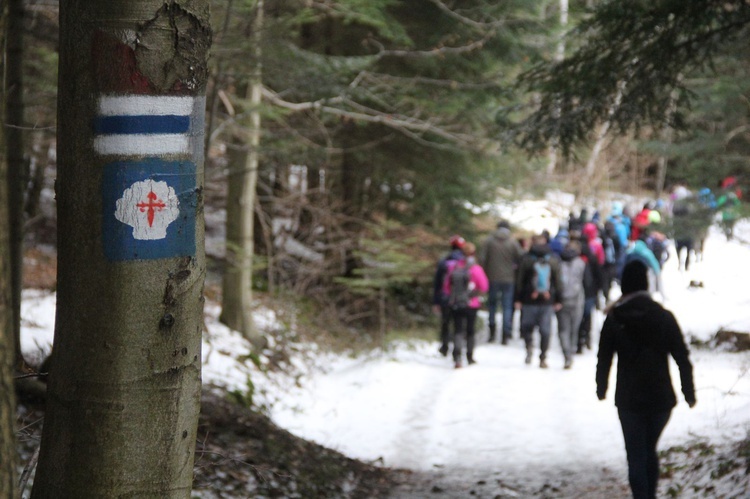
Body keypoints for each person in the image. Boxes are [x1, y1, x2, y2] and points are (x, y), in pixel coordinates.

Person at [596, 260, 696, 499]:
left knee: (636, 454)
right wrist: (688, 392)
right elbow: (682, 357)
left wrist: (601, 387)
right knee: (649, 450)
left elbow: (604, 357)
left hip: (629, 398)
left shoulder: (615, 318)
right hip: (661, 398)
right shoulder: (663, 316)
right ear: (646, 284)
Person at [514, 234, 563, 368]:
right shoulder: (553, 259)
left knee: (527, 327)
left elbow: (519, 281)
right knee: (545, 331)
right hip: (547, 300)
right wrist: (558, 299)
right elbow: (558, 281)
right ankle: (543, 357)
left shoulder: (526, 259)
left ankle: (529, 348)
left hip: (529, 300)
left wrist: (518, 299)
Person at [478, 220, 525, 344]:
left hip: (491, 278)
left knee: (492, 305)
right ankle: (505, 335)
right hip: (509, 279)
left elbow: (482, 259)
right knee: (507, 307)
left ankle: (492, 333)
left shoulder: (489, 241)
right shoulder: (512, 242)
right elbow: (521, 257)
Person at [443, 242, 489, 368]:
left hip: (456, 303)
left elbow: (446, 287)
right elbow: (484, 287)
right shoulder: (476, 269)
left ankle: (457, 356)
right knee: (470, 330)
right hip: (472, 304)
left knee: (458, 330)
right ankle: (469, 356)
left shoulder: (455, 267)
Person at [432, 235, 465, 357]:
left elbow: (437, 283)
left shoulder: (444, 261)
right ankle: (457, 351)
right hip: (461, 299)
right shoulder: (465, 262)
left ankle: (444, 347)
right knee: (459, 325)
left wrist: (436, 302)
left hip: (445, 298)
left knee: (445, 323)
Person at [556, 240, 586, 369]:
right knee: (574, 328)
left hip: (562, 300)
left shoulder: (558, 263)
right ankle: (570, 353)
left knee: (563, 329)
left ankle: (566, 354)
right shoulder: (581, 263)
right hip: (577, 299)